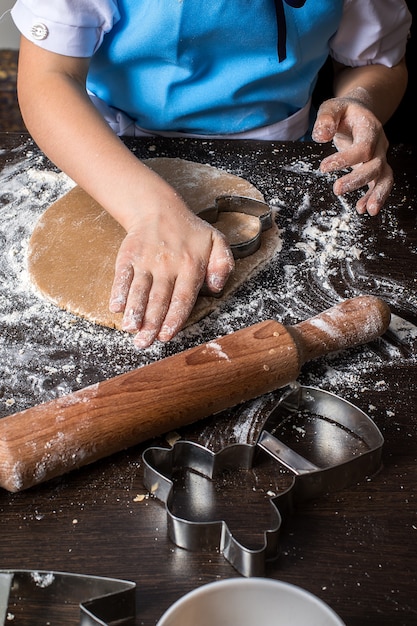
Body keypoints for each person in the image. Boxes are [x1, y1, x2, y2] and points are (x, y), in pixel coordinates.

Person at [11, 1, 411, 349]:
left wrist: (361, 101)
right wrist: (152, 212)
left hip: (284, 148)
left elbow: (375, 62)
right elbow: (49, 76)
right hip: (110, 149)